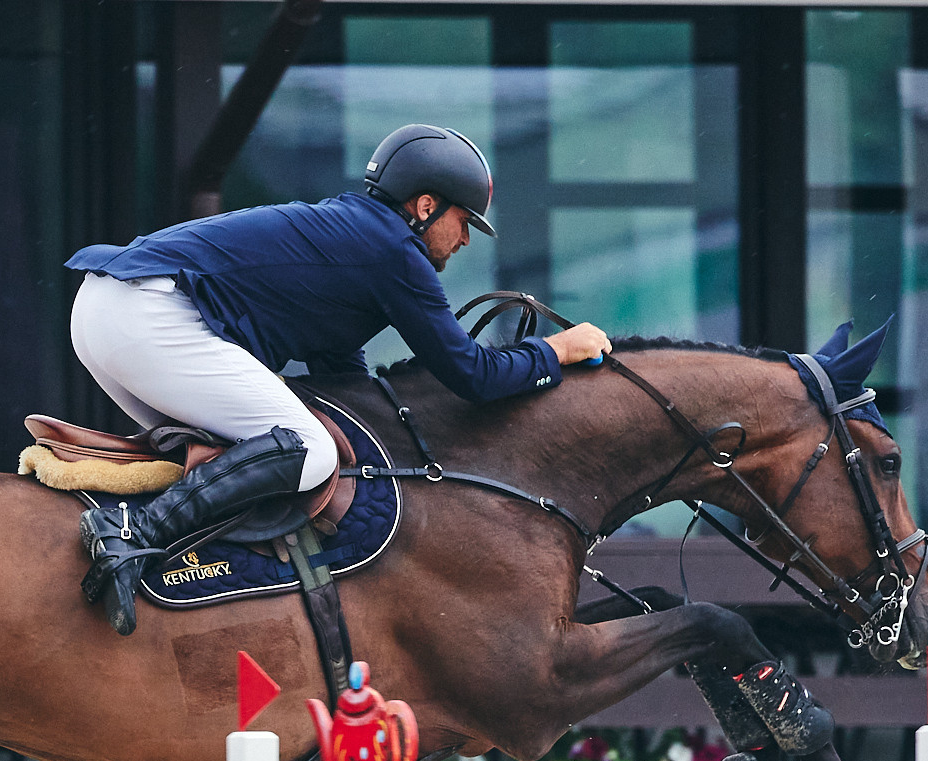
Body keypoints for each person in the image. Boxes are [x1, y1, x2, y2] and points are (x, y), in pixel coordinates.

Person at [63, 123, 612, 634]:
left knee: (237, 455)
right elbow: (472, 374)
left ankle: (178, 577)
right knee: (310, 450)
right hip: (148, 313)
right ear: (425, 206)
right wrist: (556, 349)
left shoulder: (359, 237)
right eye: (464, 221)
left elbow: (342, 369)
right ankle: (132, 535)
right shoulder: (394, 251)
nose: (465, 239)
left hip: (106, 309)